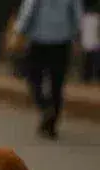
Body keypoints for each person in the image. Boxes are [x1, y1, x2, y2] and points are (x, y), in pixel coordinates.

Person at [14, 0, 83, 139]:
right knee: (57, 83)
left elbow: (28, 10)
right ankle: (51, 125)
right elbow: (77, 16)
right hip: (62, 43)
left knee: (34, 78)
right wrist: (76, 36)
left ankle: (45, 106)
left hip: (38, 41)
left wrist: (19, 31)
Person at [80, 8, 100, 83]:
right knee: (89, 62)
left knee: (91, 62)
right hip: (90, 44)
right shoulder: (86, 18)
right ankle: (87, 78)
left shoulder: (85, 18)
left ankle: (87, 78)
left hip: (92, 44)